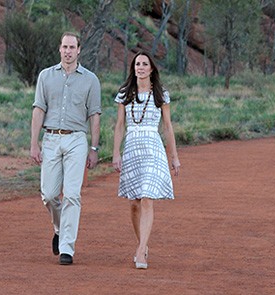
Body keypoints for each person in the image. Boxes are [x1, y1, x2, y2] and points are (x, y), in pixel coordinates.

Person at [30, 32, 101, 265]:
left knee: (72, 194)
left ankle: (67, 248)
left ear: (79, 49)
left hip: (76, 139)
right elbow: (39, 109)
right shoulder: (46, 76)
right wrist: (34, 143)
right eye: (64, 47)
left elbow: (94, 116)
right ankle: (59, 229)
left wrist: (94, 148)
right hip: (51, 138)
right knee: (49, 195)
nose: (68, 51)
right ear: (59, 49)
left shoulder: (90, 80)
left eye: (72, 47)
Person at [112, 51, 180, 270]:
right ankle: (141, 243)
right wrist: (116, 152)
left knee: (147, 197)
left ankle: (141, 251)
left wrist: (174, 157)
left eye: (144, 64)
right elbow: (120, 125)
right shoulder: (124, 93)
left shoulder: (161, 94)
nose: (140, 67)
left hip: (153, 148)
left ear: (151, 69)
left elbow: (168, 127)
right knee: (134, 203)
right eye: (137, 64)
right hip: (132, 148)